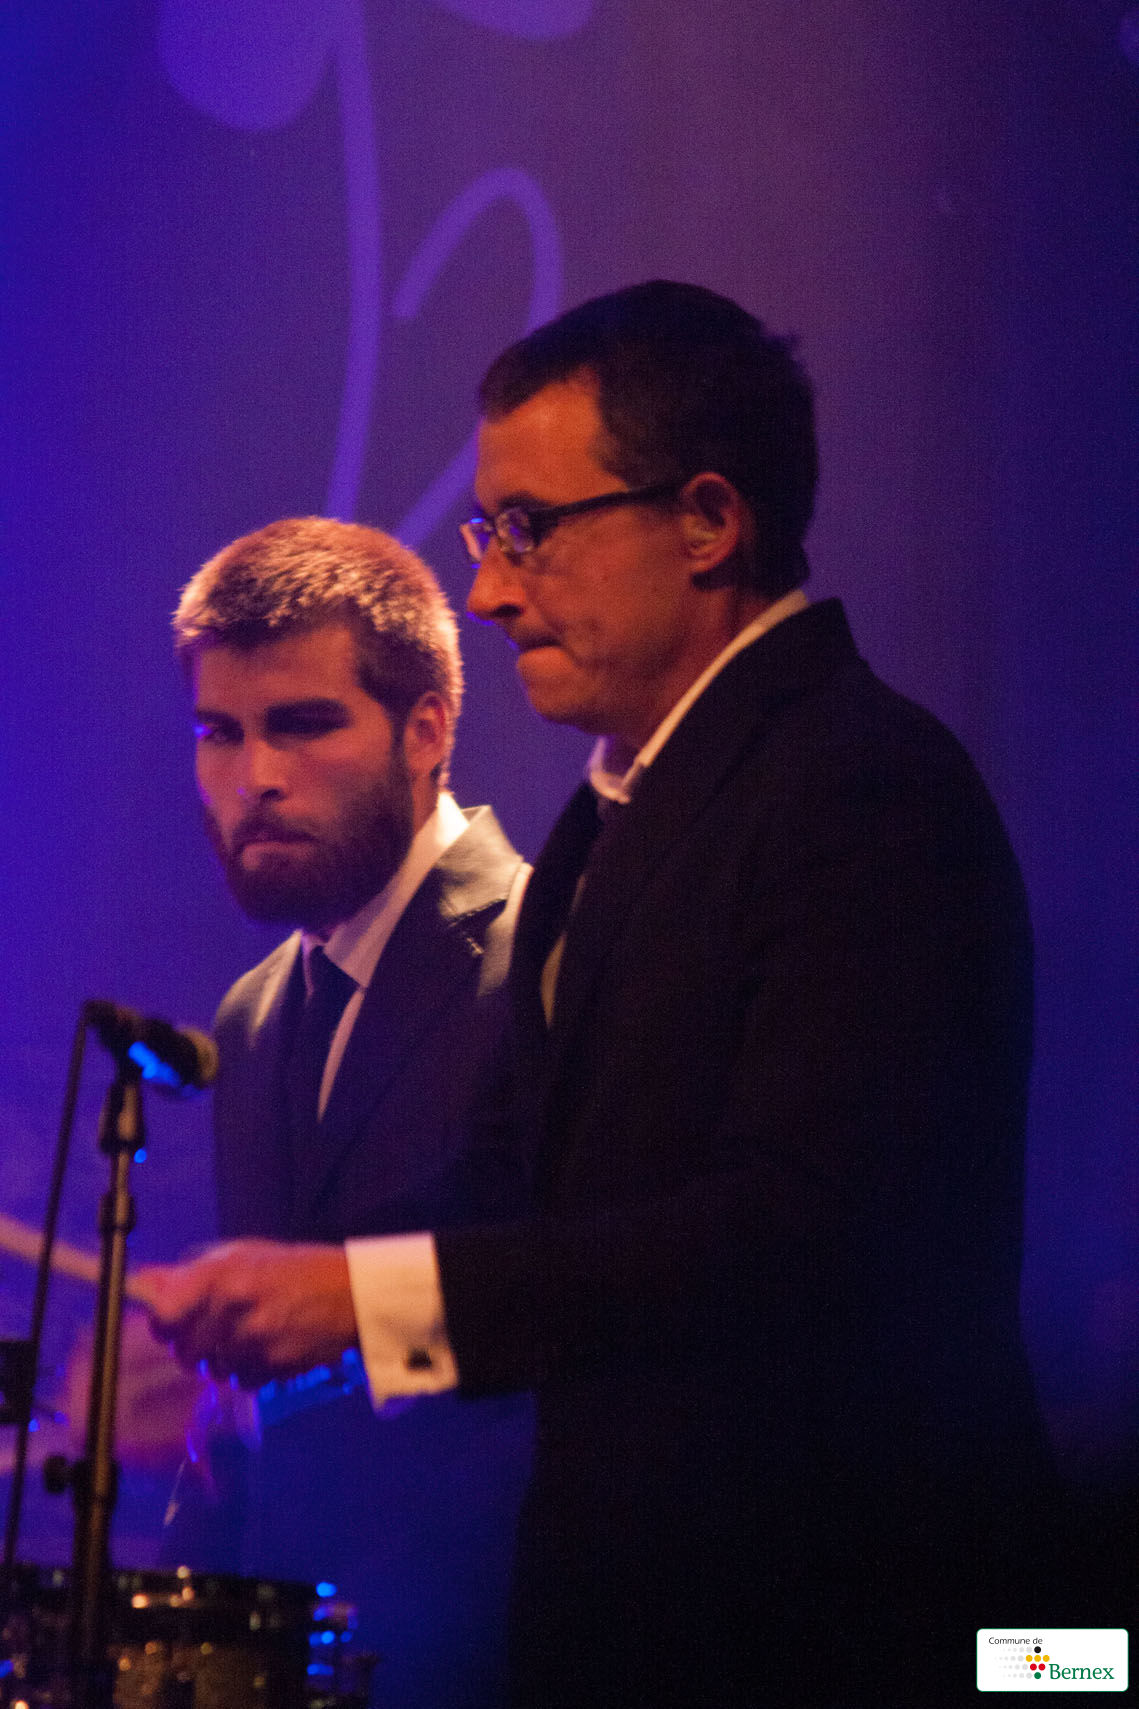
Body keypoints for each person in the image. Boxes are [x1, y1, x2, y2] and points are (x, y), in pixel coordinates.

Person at [137, 287, 1062, 1707]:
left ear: (706, 521)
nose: (490, 592)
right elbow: (550, 1216)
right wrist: (263, 1342)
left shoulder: (859, 788)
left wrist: (360, 1299)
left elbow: (803, 1233)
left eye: (530, 528)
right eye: (486, 537)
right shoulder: (613, 822)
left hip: (891, 1631)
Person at [150, 516, 532, 1709]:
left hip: (512, 1646)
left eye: (304, 723)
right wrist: (219, 1418)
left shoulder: (549, 948)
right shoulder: (255, 1012)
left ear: (427, 730)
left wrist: (342, 1331)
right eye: (220, 731)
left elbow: (599, 1309)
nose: (253, 777)